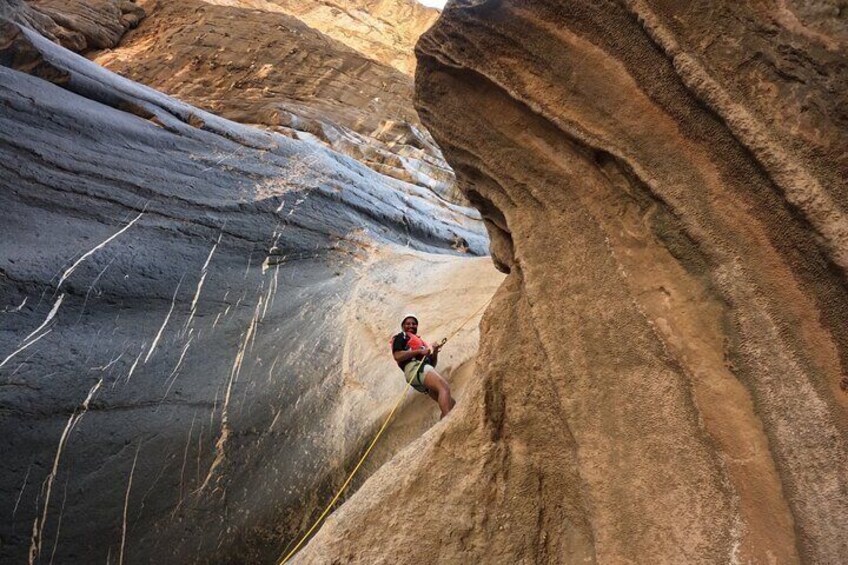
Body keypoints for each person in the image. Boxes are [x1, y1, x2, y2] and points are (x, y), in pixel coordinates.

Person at [391, 314, 455, 418]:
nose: (411, 325)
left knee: (451, 403)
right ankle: (448, 422)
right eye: (408, 323)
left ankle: (442, 428)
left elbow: (431, 365)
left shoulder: (421, 343)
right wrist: (420, 351)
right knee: (444, 388)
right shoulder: (402, 336)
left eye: (414, 324)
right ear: (403, 326)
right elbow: (397, 355)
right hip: (414, 368)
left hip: (418, 374)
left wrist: (435, 352)